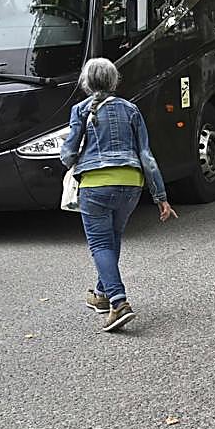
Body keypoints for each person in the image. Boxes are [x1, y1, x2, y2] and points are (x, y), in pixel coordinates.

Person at [60, 58, 177, 332]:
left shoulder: (80, 110)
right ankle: (101, 295)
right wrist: (161, 196)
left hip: (96, 185)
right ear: (114, 81)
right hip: (131, 184)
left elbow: (68, 155)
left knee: (100, 245)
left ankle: (118, 302)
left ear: (86, 83)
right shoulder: (131, 109)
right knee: (111, 239)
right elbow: (146, 156)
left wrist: (69, 152)